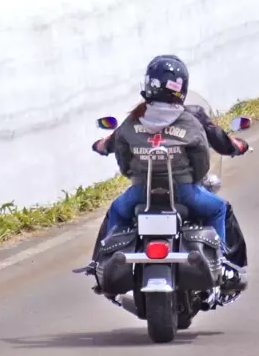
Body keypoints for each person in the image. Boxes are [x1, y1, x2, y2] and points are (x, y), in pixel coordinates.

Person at [93, 55, 250, 276]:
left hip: (140, 192)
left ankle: (102, 263)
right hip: (185, 191)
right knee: (219, 209)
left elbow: (120, 152)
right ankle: (222, 263)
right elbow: (202, 158)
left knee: (116, 211)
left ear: (148, 83)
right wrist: (192, 178)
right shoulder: (192, 118)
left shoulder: (134, 119)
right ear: (182, 86)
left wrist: (129, 171)